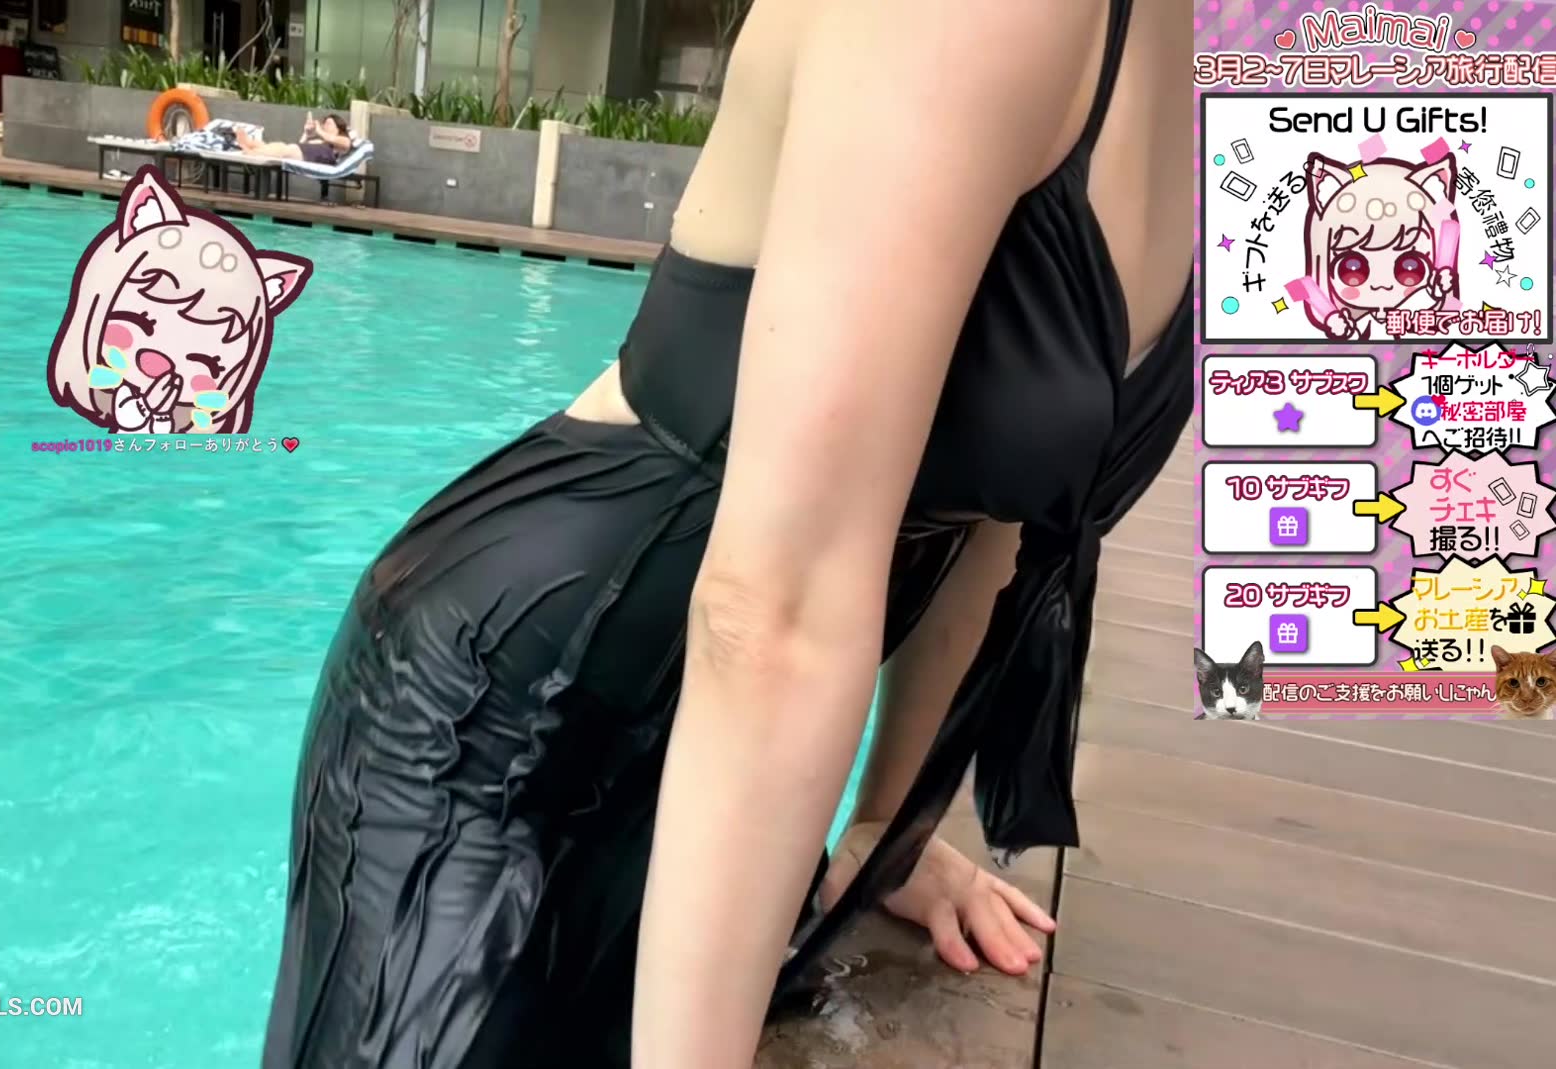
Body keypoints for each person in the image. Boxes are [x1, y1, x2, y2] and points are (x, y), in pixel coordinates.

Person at [261, 0, 1190, 1066]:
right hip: (496, 731)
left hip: (715, 757)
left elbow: (997, 508)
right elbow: (768, 614)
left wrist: (890, 826)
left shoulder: (1196, 37)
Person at [234, 112, 353, 165]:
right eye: (324, 124)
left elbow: (333, 139)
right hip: (298, 152)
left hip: (300, 154)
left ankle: (250, 151)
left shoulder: (344, 141)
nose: (325, 126)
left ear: (339, 128)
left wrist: (319, 130)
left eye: (329, 124)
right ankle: (250, 143)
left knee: (282, 149)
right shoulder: (321, 141)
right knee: (279, 146)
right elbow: (301, 144)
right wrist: (306, 134)